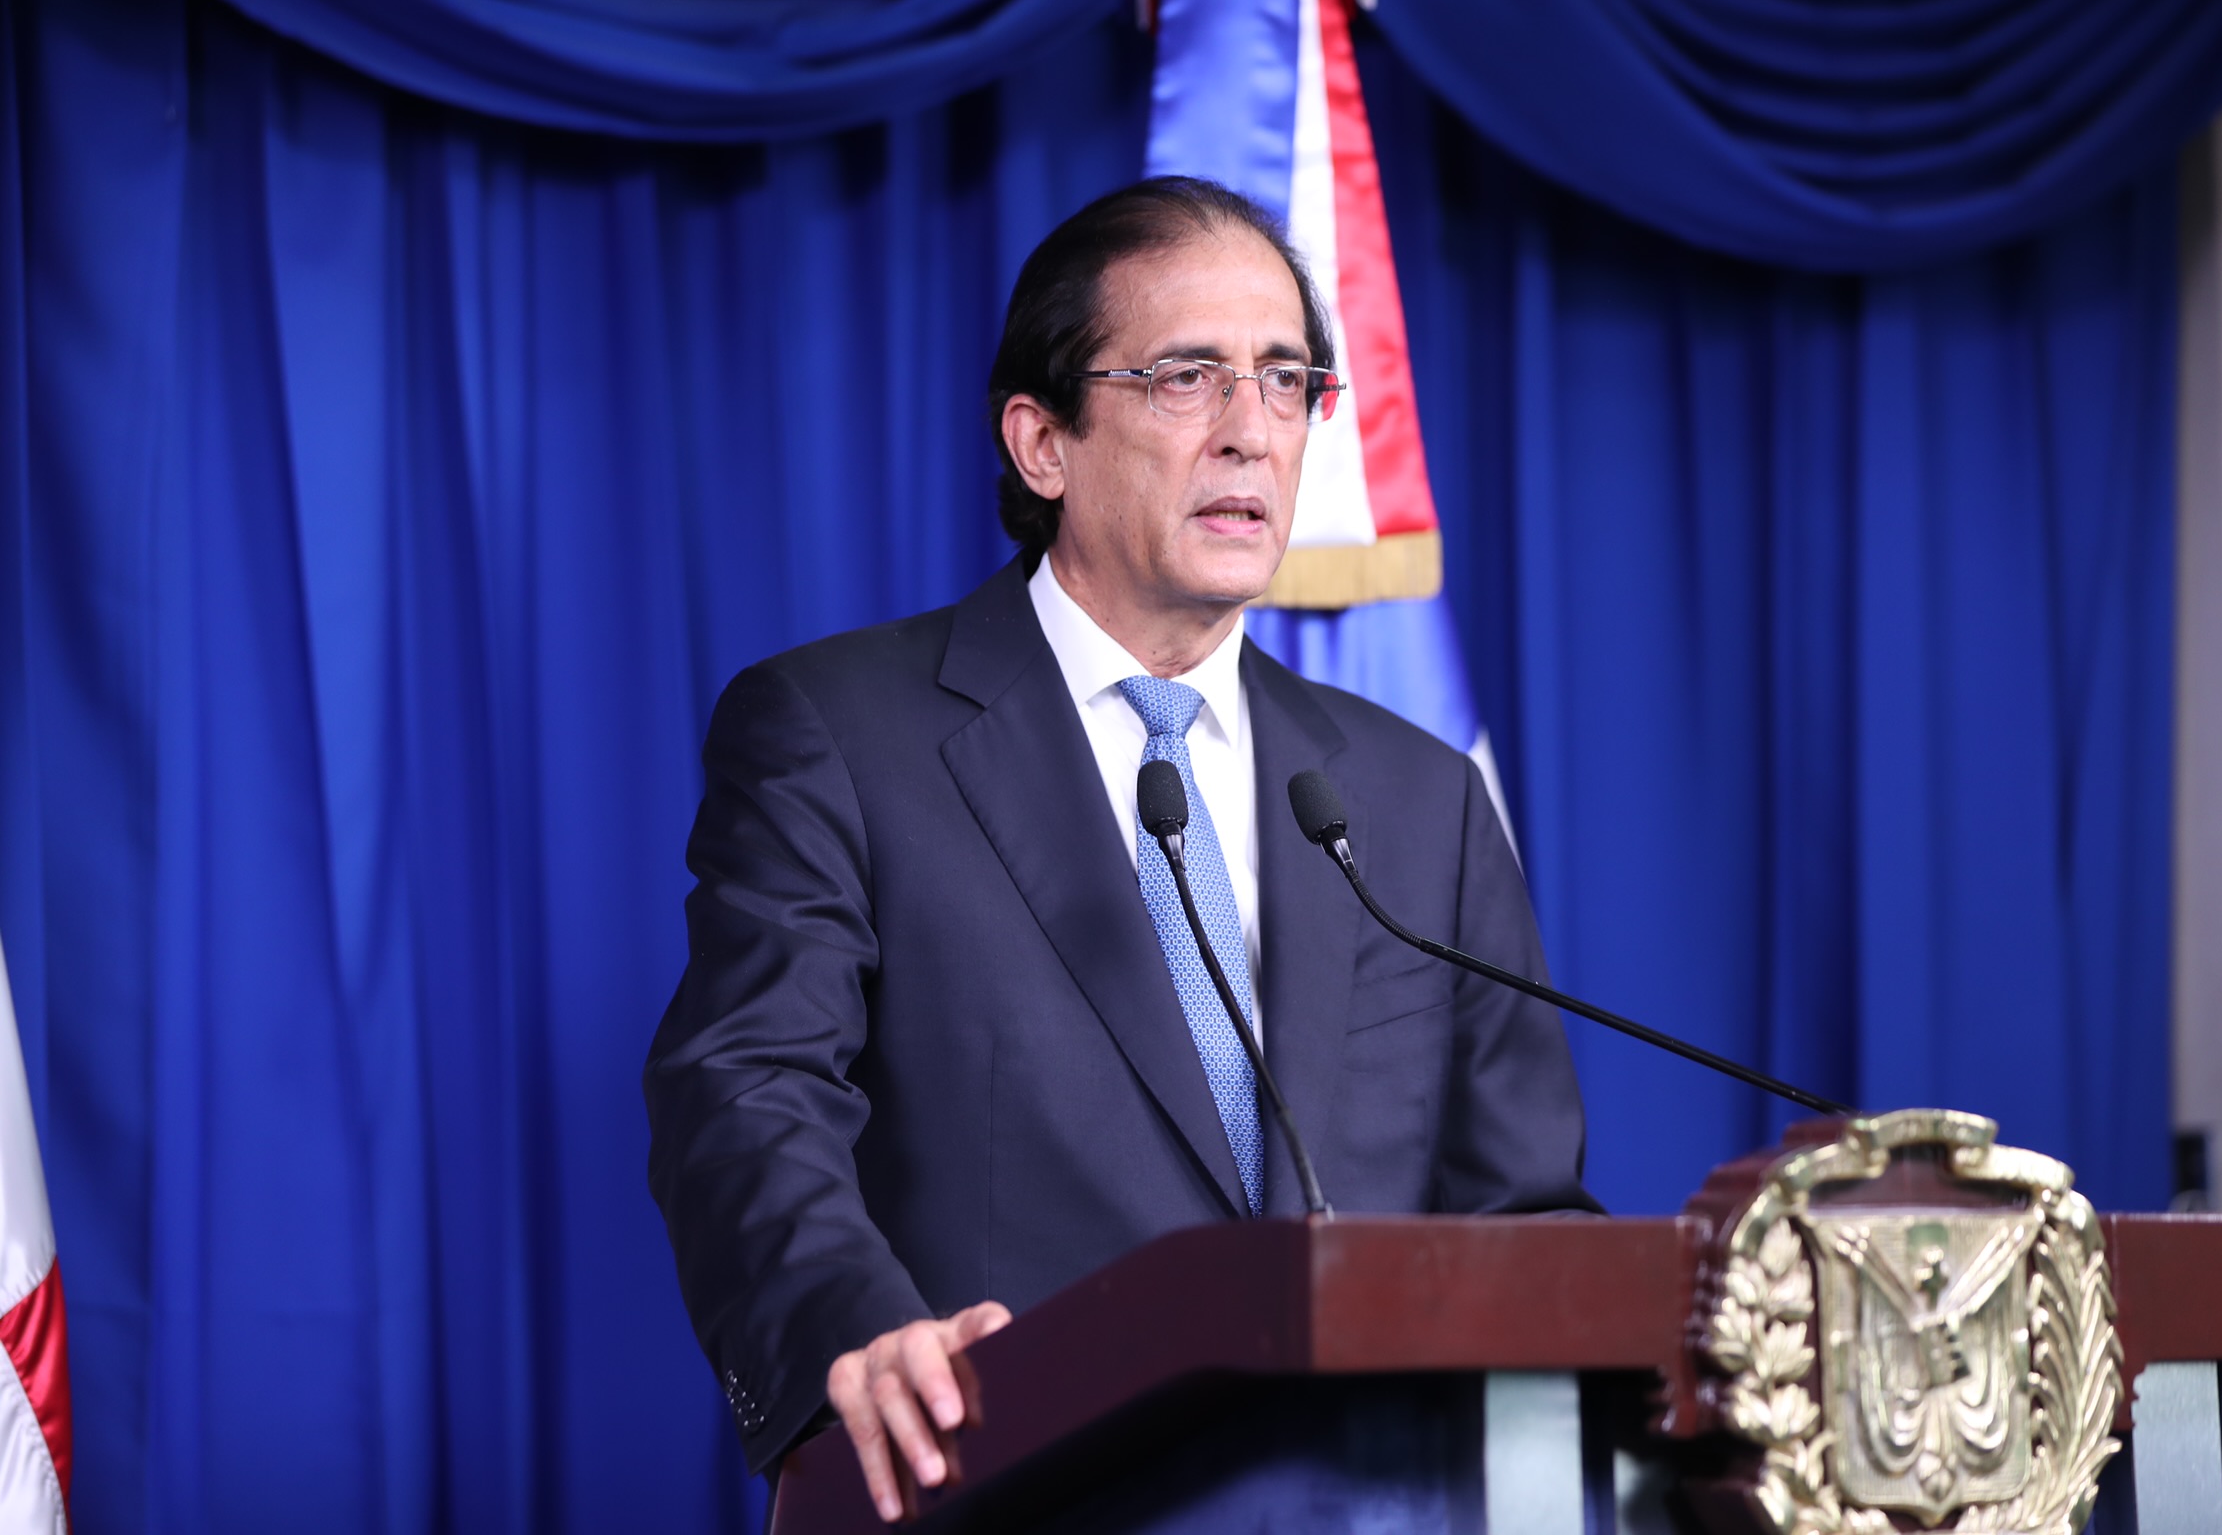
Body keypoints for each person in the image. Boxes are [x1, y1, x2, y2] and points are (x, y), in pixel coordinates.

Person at [643, 176, 1595, 1524]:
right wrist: (853, 1334)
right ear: (1043, 443)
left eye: (1285, 382)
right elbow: (745, 1088)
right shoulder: (839, 734)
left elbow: (1524, 1218)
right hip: (999, 1486)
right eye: (1185, 378)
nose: (1250, 432)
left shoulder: (1416, 798)